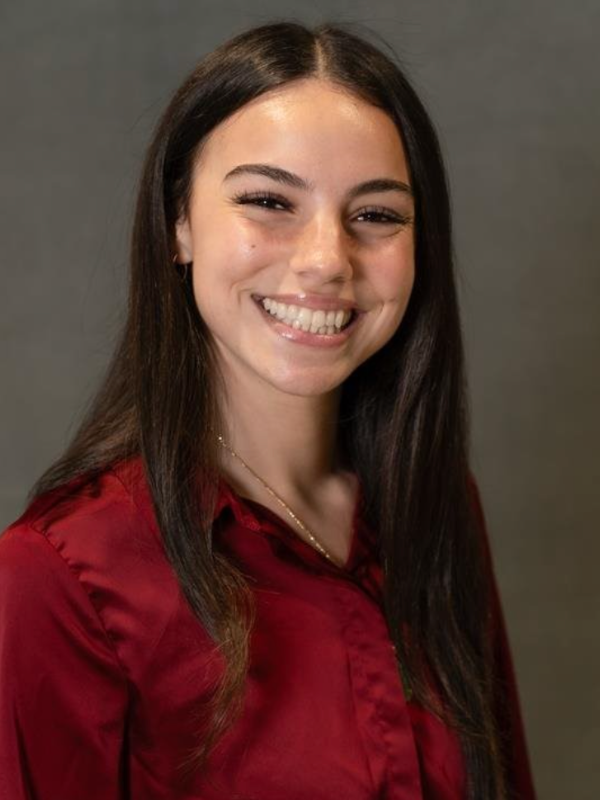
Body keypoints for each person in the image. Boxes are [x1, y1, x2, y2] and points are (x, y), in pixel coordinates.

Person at [0, 19, 537, 800]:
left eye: (377, 214)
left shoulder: (436, 502)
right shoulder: (56, 579)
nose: (326, 259)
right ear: (179, 222)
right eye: (267, 200)